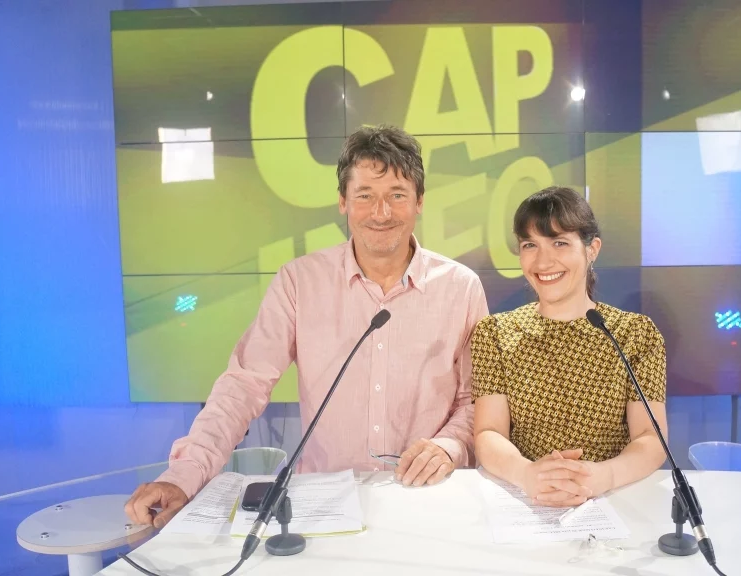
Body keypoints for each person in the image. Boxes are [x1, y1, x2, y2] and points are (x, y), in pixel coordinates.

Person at [125, 125, 489, 528]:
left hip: (428, 500)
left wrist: (449, 444)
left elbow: (477, 399)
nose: (381, 212)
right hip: (323, 506)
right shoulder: (299, 282)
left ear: (419, 201)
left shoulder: (461, 287)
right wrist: (184, 474)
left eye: (397, 195)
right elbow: (244, 385)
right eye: (365, 195)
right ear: (342, 202)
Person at [471, 186, 668, 508]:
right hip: (526, 501)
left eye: (560, 243)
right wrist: (527, 474)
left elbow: (651, 438)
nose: (543, 261)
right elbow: (489, 432)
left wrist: (602, 476)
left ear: (592, 249)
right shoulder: (494, 333)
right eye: (530, 245)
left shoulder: (636, 334)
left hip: (613, 502)